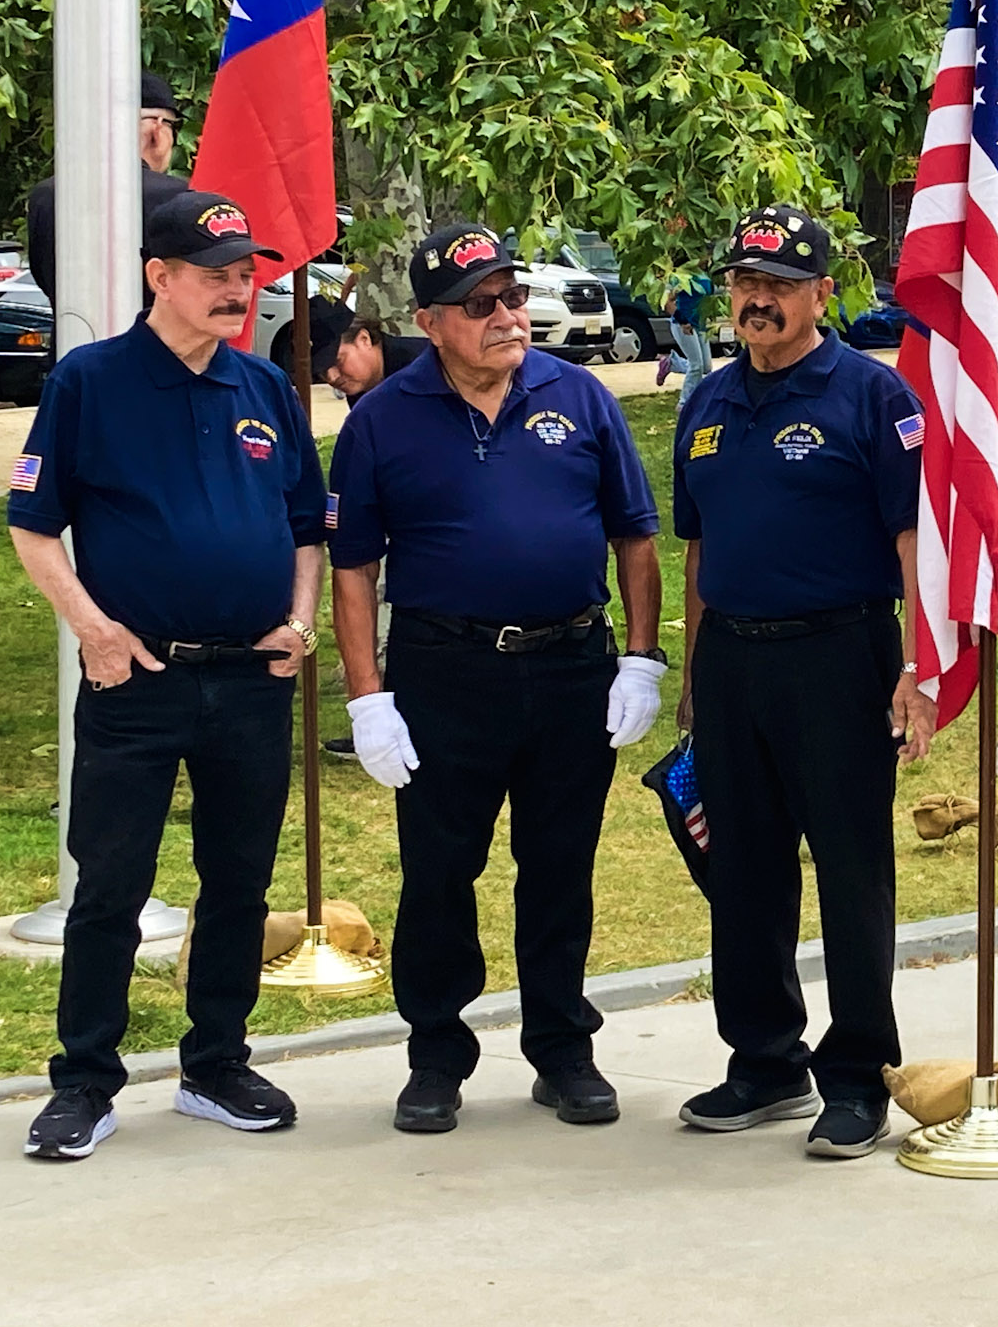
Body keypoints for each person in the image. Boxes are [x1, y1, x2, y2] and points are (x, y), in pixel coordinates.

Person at [326, 223, 665, 1136]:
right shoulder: (381, 419)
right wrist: (367, 697)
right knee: (441, 872)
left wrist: (641, 655)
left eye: (513, 297)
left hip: (569, 667)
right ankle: (436, 1054)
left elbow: (636, 531)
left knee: (559, 866)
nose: (510, 316)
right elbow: (352, 567)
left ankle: (562, 1047)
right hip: (447, 671)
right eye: (483, 304)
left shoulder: (580, 396)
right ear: (432, 321)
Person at [8, 191, 325, 1160]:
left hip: (250, 681)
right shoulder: (90, 384)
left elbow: (309, 526)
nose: (239, 292)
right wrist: (93, 630)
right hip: (136, 679)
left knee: (238, 881)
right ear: (161, 276)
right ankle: (84, 1081)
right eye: (217, 274)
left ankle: (216, 1062)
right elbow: (31, 526)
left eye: (246, 276)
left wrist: (302, 621)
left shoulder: (263, 389)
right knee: (110, 884)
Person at [671, 204, 933, 1160]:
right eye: (746, 283)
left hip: (841, 655)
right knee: (743, 866)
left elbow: (914, 543)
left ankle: (859, 1072)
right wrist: (696, 676)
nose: (759, 300)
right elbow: (699, 549)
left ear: (824, 292)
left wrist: (920, 670)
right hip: (735, 658)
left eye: (780, 286)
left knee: (851, 867)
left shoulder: (872, 397)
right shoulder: (705, 402)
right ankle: (765, 1058)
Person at [27, 71, 194, 309]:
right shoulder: (178, 197)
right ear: (158, 129)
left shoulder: (47, 194)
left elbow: (44, 276)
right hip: (153, 343)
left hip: (70, 339)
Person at [309, 300, 420, 403]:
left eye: (338, 361)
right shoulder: (358, 387)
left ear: (364, 339)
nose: (331, 378)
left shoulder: (421, 367)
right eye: (321, 370)